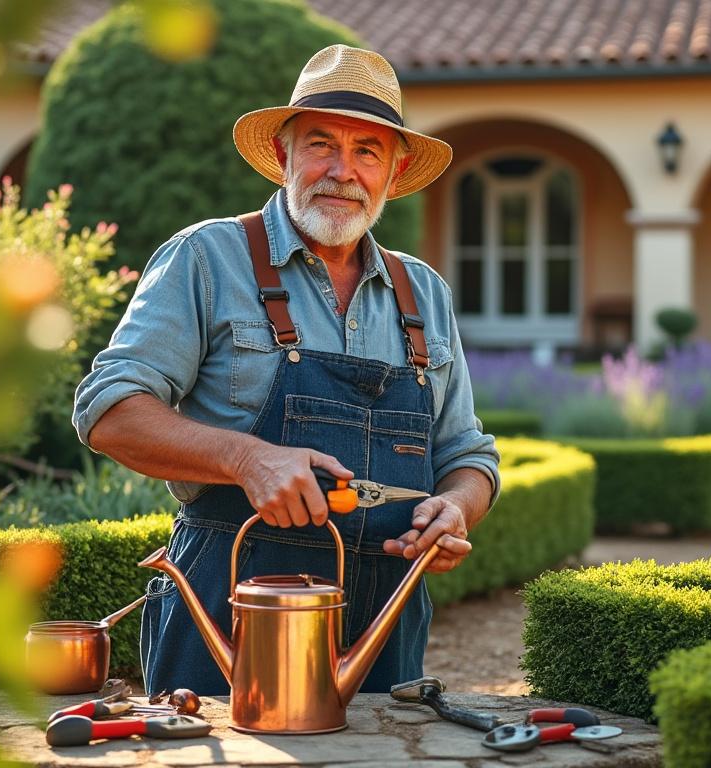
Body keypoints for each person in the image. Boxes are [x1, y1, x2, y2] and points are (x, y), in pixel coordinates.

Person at [73, 44, 499, 696]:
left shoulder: (426, 294)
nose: (342, 171)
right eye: (321, 144)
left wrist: (456, 508)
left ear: (395, 169)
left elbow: (469, 455)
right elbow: (107, 409)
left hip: (386, 635)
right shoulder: (207, 258)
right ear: (283, 153)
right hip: (232, 615)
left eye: (367, 151)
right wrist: (247, 459)